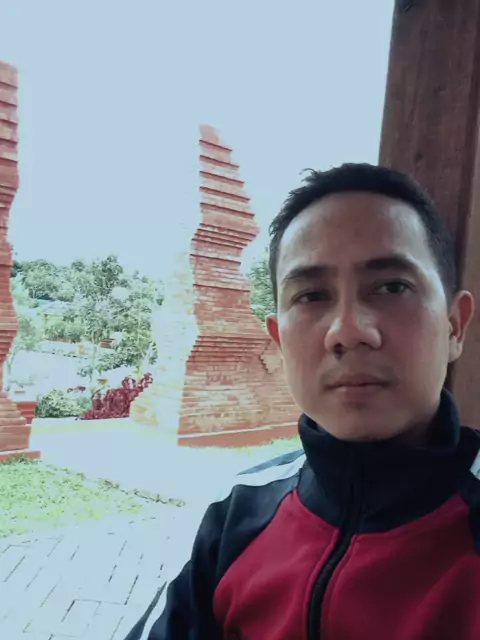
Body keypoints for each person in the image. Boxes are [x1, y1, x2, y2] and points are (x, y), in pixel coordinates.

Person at [127, 163, 480, 640]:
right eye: (312, 296)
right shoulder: (239, 512)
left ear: (454, 325)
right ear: (278, 340)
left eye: (392, 287)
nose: (349, 331)